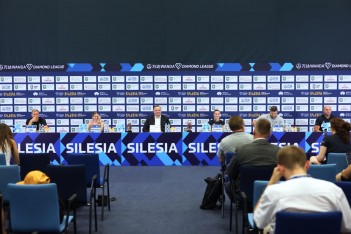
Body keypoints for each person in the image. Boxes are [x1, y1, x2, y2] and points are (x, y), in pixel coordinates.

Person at [254, 145, 351, 233]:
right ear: (307, 165)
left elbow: (258, 221)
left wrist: (272, 181)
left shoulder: (273, 192)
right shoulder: (334, 190)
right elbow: (348, 227)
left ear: (280, 169)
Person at [226, 118, 280, 189]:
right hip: (270, 193)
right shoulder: (279, 151)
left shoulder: (241, 150)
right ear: (270, 134)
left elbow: (230, 173)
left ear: (254, 132)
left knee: (227, 186)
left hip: (245, 194)